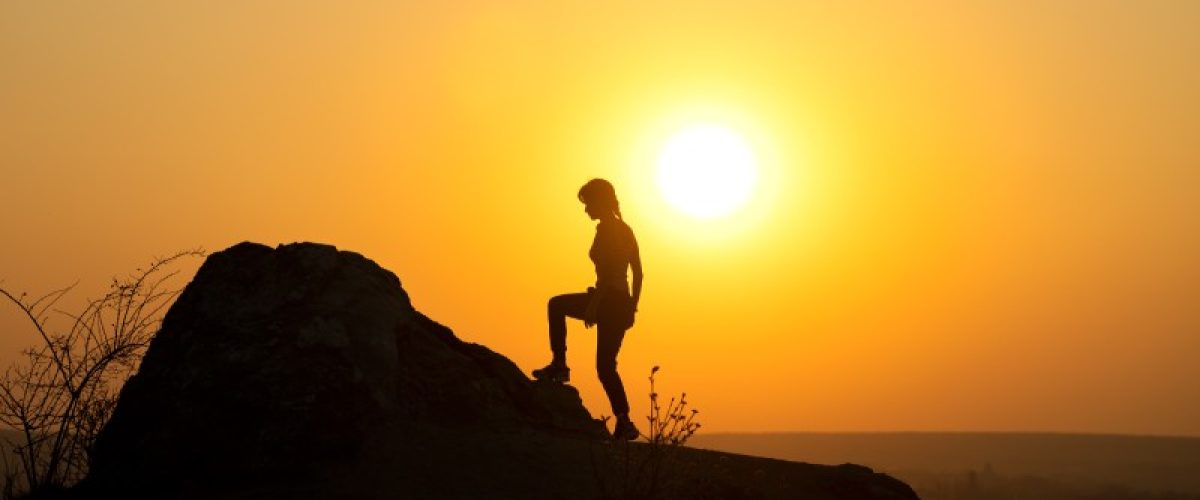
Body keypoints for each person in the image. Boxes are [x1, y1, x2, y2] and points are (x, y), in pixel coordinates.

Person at [533, 178, 643, 441]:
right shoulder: (624, 229)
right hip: (619, 303)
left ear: (599, 201)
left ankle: (560, 364)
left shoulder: (609, 230)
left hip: (608, 301)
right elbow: (638, 273)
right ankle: (624, 421)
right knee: (606, 367)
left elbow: (609, 275)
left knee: (556, 305)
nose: (585, 210)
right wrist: (632, 307)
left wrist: (594, 305)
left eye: (588, 203)